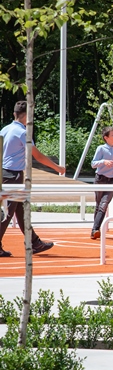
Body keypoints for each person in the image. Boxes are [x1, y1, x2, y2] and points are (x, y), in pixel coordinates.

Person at [0, 100, 66, 257]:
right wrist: (57, 167)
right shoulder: (22, 133)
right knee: (8, 212)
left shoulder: (5, 129)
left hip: (5, 174)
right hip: (13, 176)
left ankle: (34, 242)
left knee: (21, 210)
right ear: (26, 116)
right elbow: (36, 155)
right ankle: (33, 243)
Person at [90, 126, 113, 239]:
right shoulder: (101, 149)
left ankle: (95, 229)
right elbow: (93, 164)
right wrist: (104, 162)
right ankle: (95, 230)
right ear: (106, 138)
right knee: (99, 205)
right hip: (100, 179)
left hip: (112, 180)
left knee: (103, 205)